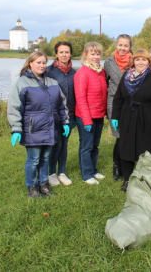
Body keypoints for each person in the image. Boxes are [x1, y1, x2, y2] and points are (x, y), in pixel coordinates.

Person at [7, 52, 70, 198]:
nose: (41, 65)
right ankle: (32, 187)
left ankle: (43, 184)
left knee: (46, 159)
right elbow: (14, 107)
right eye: (38, 62)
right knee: (34, 160)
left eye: (43, 63)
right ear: (30, 63)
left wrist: (65, 121)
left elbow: (62, 105)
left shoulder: (52, 82)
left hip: (50, 128)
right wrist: (16, 128)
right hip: (33, 129)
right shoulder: (22, 83)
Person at [111, 49, 151, 191]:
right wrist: (115, 116)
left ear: (149, 61)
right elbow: (118, 98)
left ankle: (147, 181)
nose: (141, 62)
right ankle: (127, 179)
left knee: (148, 150)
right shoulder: (126, 76)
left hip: (148, 119)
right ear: (133, 61)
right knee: (126, 149)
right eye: (138, 59)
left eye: (144, 59)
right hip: (127, 118)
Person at [74, 42, 107, 185]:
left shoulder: (100, 71)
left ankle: (93, 170)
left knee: (95, 145)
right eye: (92, 54)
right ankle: (86, 174)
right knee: (86, 146)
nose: (95, 56)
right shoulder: (82, 73)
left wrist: (105, 112)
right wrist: (87, 120)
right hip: (86, 116)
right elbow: (80, 98)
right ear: (86, 55)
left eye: (97, 54)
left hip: (98, 114)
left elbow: (103, 94)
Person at [45, 41, 76, 187]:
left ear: (71, 54)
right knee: (54, 144)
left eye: (67, 52)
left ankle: (61, 172)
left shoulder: (74, 72)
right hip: (54, 116)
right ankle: (51, 173)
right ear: (56, 54)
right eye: (61, 52)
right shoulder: (49, 71)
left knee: (64, 144)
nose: (64, 55)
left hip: (70, 115)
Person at [104, 34, 132, 181]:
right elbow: (104, 82)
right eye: (120, 44)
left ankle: (128, 165)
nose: (122, 48)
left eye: (125, 45)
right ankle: (117, 166)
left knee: (128, 136)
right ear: (116, 45)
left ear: (130, 47)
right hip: (114, 103)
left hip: (131, 104)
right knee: (119, 136)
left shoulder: (135, 61)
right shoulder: (108, 62)